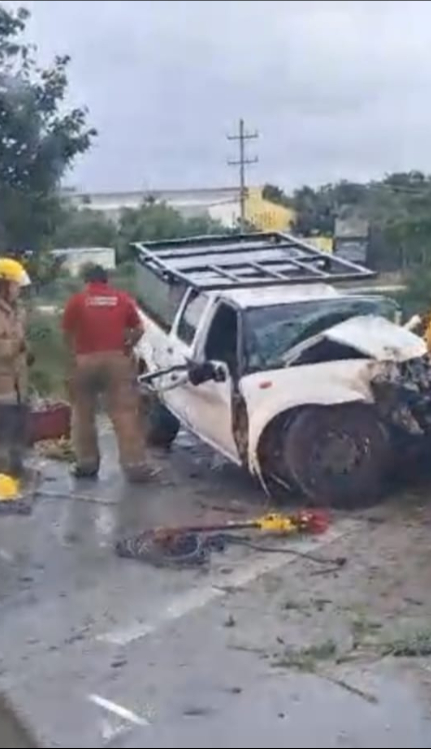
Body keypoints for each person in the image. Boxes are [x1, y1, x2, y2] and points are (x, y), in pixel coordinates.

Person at [62, 264, 151, 482]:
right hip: (116, 360)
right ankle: (135, 466)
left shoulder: (77, 300)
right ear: (106, 280)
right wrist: (127, 348)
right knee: (125, 413)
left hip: (85, 360)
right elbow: (139, 329)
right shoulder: (122, 298)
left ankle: (87, 464)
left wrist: (75, 356)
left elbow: (66, 332)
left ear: (86, 281)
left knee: (83, 414)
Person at [0, 257, 31, 478]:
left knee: (18, 429)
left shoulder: (17, 310)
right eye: (15, 285)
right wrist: (17, 346)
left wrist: (26, 351)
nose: (18, 290)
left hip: (18, 382)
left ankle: (15, 471)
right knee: (4, 430)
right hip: (2, 384)